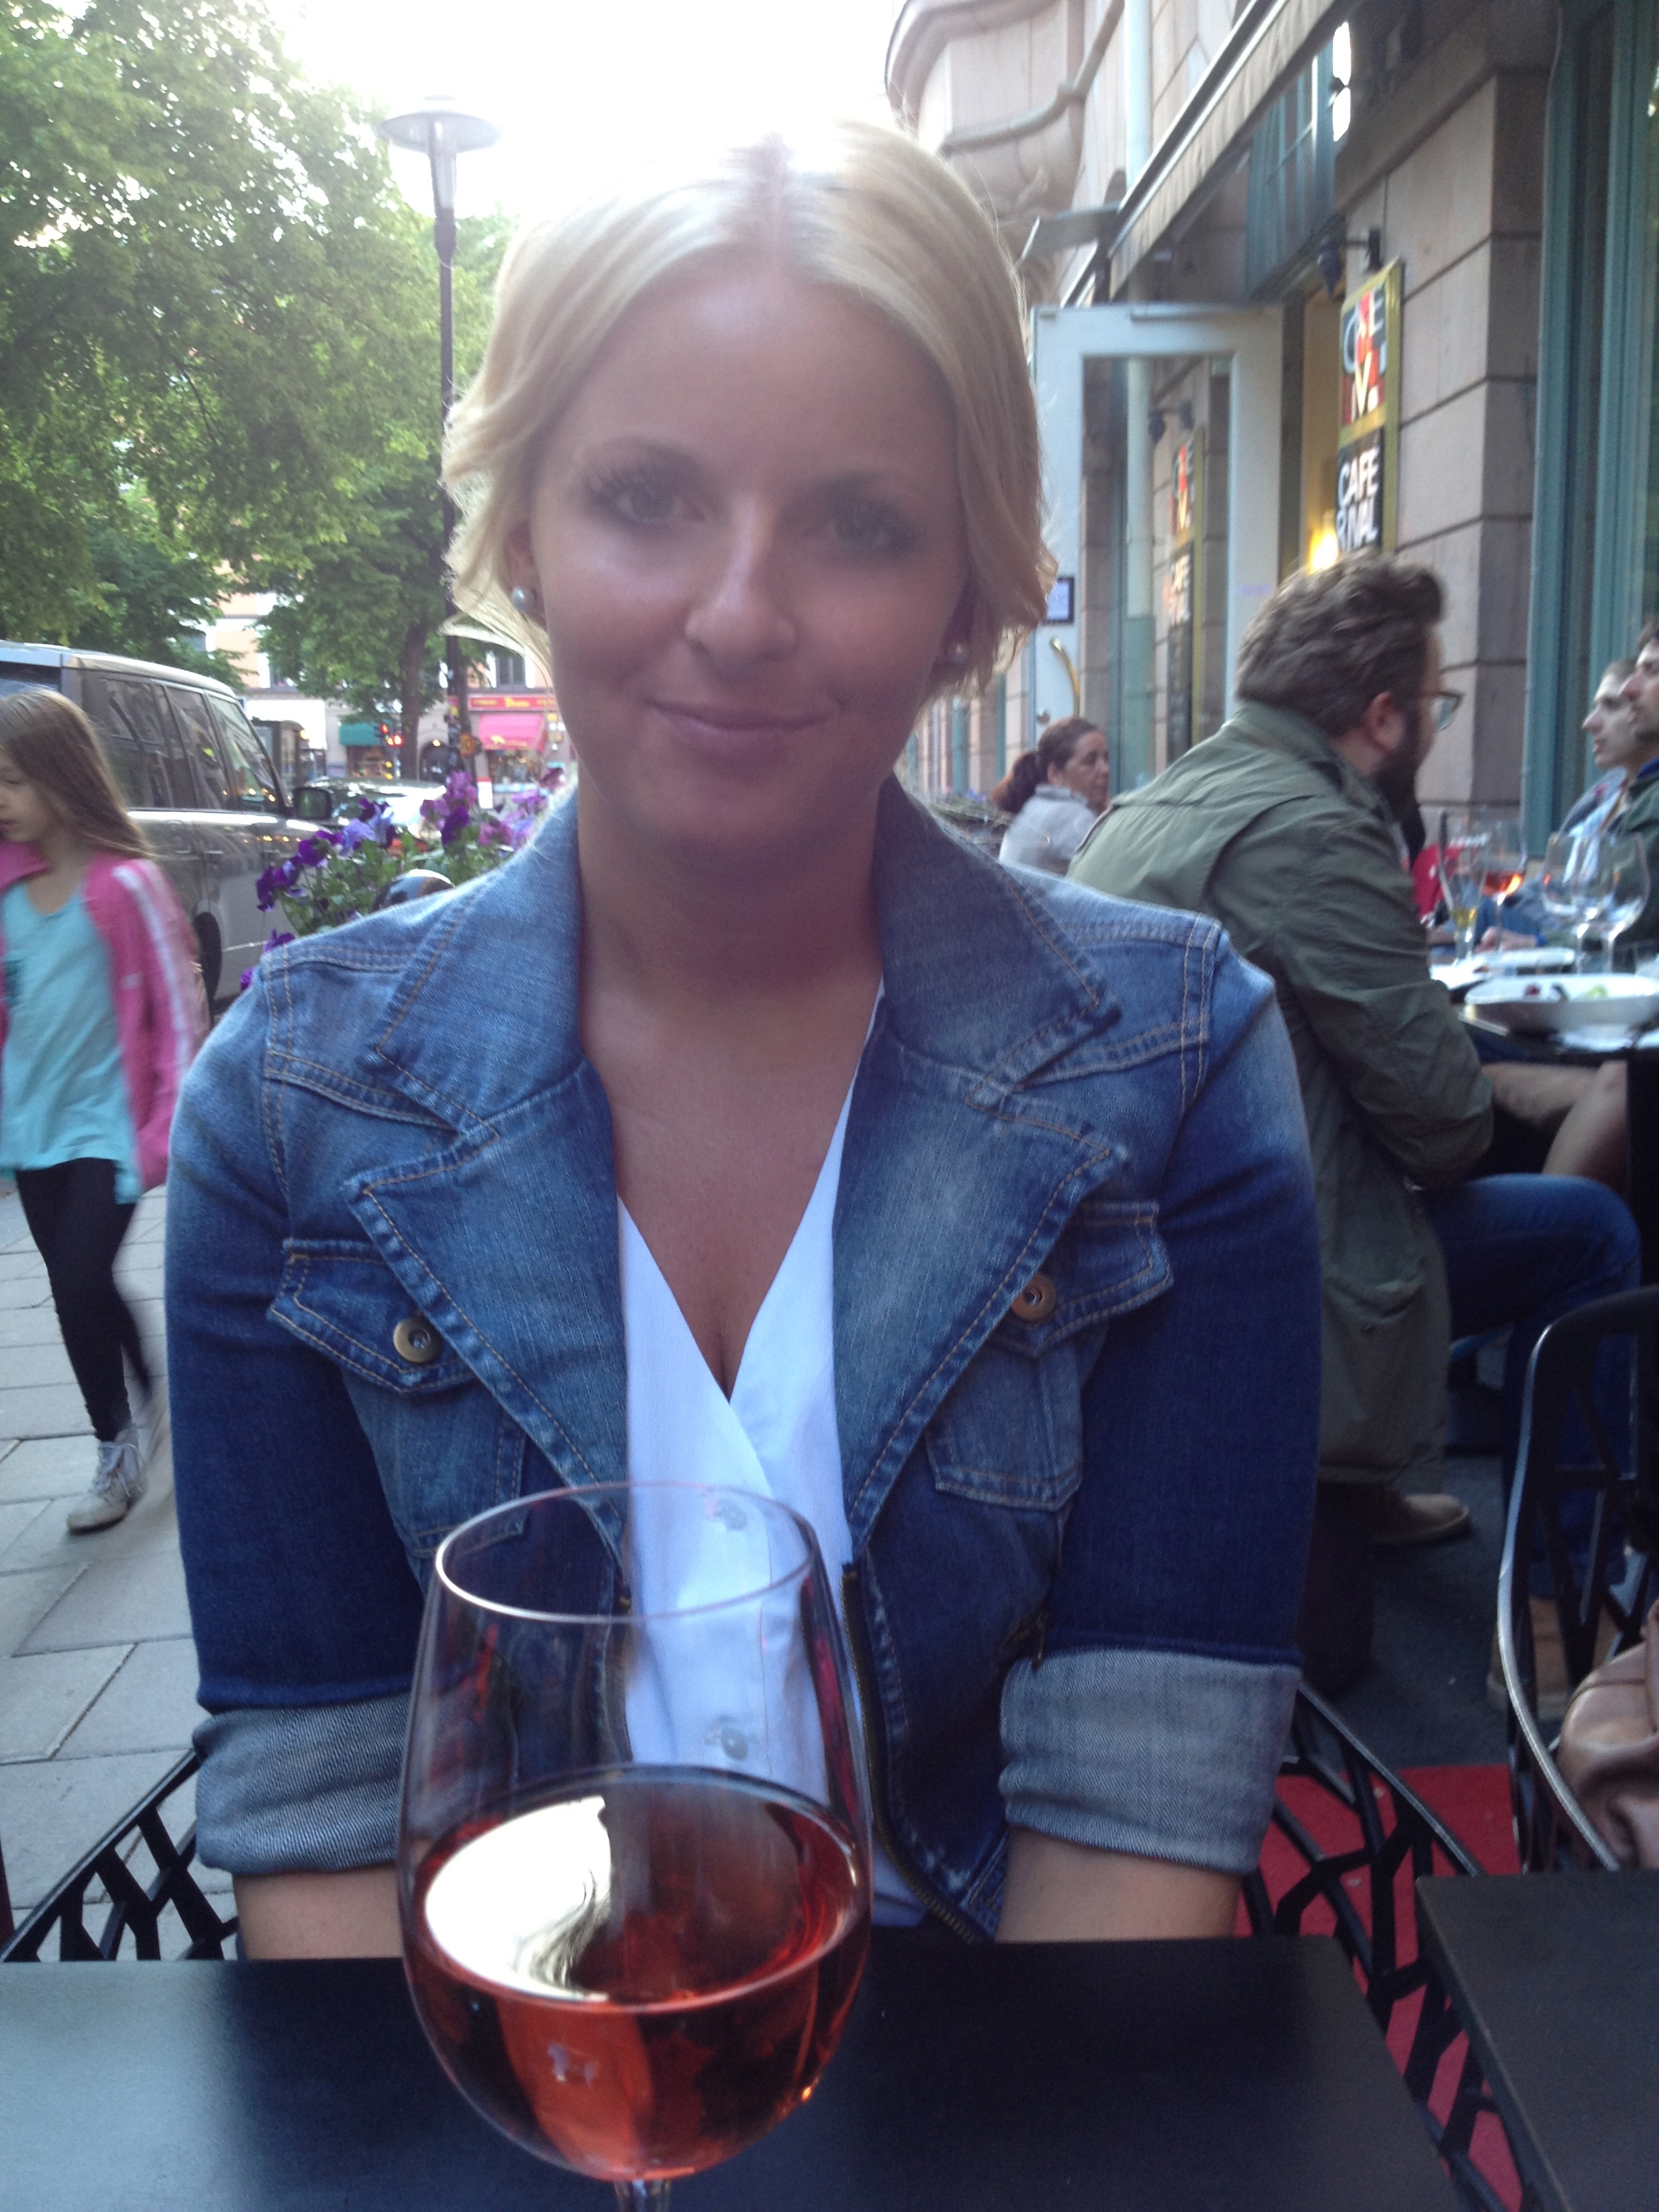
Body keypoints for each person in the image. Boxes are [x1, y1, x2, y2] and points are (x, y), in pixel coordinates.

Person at [167, 125, 1322, 1961]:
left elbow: (1133, 1830)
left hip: (1002, 2074)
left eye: (858, 524)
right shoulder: (293, 1110)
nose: (738, 614)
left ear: (965, 597)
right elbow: (329, 1852)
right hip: (504, 2067)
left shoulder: (1169, 1070)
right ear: (526, 537)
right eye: (646, 498)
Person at [1073, 556, 1641, 1694]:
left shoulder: (1162, 799)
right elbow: (1442, 1132)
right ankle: (1549, 1615)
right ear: (1382, 716)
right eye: (1436, 703)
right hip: (1249, 1265)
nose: (1432, 723)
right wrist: (1517, 1092)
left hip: (1129, 1237)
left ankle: (1374, 1483)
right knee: (1588, 1234)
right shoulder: (1316, 832)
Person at [0, 691, 205, 1530]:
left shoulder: (127, 885)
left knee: (82, 1278)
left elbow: (179, 1011)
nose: (2, 799)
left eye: (13, 781)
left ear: (61, 776)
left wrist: (169, 1127)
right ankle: (141, 1410)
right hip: (33, 1127)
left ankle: (119, 1453)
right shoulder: (6, 892)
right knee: (75, 1289)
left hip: (109, 1130)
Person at [993, 718, 1110, 874]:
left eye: (1106, 759)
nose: (1105, 769)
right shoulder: (1071, 814)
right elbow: (1113, 874)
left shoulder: (1036, 805)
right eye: (1090, 761)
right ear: (1055, 775)